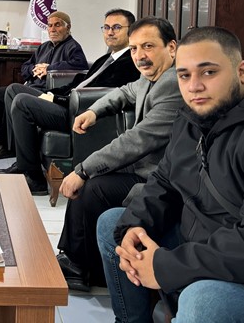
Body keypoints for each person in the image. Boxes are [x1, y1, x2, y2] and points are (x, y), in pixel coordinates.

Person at [97, 26, 244, 323]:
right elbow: (164, 181)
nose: (194, 86)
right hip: (209, 245)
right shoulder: (191, 119)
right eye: (184, 75)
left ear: (241, 72)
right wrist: (133, 226)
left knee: (205, 301)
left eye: (209, 72)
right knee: (113, 225)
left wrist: (163, 267)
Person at [55, 17, 183, 292]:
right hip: (143, 168)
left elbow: (137, 140)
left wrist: (83, 169)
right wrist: (94, 111)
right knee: (90, 182)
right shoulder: (151, 76)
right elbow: (125, 92)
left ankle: (81, 266)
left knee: (91, 187)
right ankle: (77, 260)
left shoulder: (174, 84)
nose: (140, 56)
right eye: (134, 48)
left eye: (148, 46)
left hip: (160, 180)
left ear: (171, 47)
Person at [0, 9, 141, 194]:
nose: (110, 32)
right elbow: (79, 82)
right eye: (106, 27)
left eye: (116, 27)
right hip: (67, 102)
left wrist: (58, 98)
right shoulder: (107, 58)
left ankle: (33, 177)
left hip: (80, 113)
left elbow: (103, 94)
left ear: (131, 30)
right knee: (14, 89)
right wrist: (52, 94)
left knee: (22, 102)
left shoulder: (130, 62)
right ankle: (19, 158)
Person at [0, 11, 88, 160]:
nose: (52, 29)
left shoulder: (73, 47)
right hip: (33, 86)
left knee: (13, 90)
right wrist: (34, 69)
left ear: (68, 27)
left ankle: (7, 146)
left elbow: (80, 66)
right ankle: (8, 141)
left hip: (48, 92)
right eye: (50, 26)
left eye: (57, 25)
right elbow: (25, 67)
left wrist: (49, 68)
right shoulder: (44, 47)